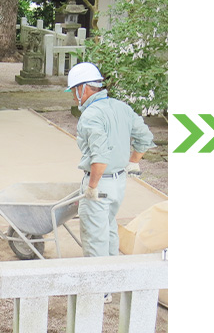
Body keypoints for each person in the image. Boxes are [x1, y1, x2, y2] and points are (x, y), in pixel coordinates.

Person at [67, 62, 155, 270]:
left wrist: (92, 187)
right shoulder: (121, 107)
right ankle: (112, 279)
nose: (73, 96)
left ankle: (99, 292)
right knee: (109, 228)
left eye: (73, 91)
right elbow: (145, 136)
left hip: (100, 182)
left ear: (83, 88)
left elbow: (101, 155)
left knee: (95, 236)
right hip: (118, 183)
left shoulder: (90, 115)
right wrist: (133, 161)